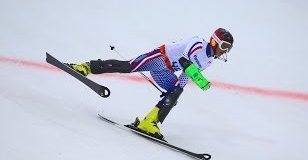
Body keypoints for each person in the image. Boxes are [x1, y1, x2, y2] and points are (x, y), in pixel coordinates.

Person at [66, 28, 234, 140]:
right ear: (214, 41)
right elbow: (184, 60)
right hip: (159, 58)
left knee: (176, 94)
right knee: (128, 66)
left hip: (165, 72)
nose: (225, 50)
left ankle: (149, 122)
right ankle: (85, 67)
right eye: (224, 46)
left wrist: (176, 90)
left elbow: (185, 76)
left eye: (229, 48)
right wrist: (199, 79)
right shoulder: (198, 43)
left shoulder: (209, 61)